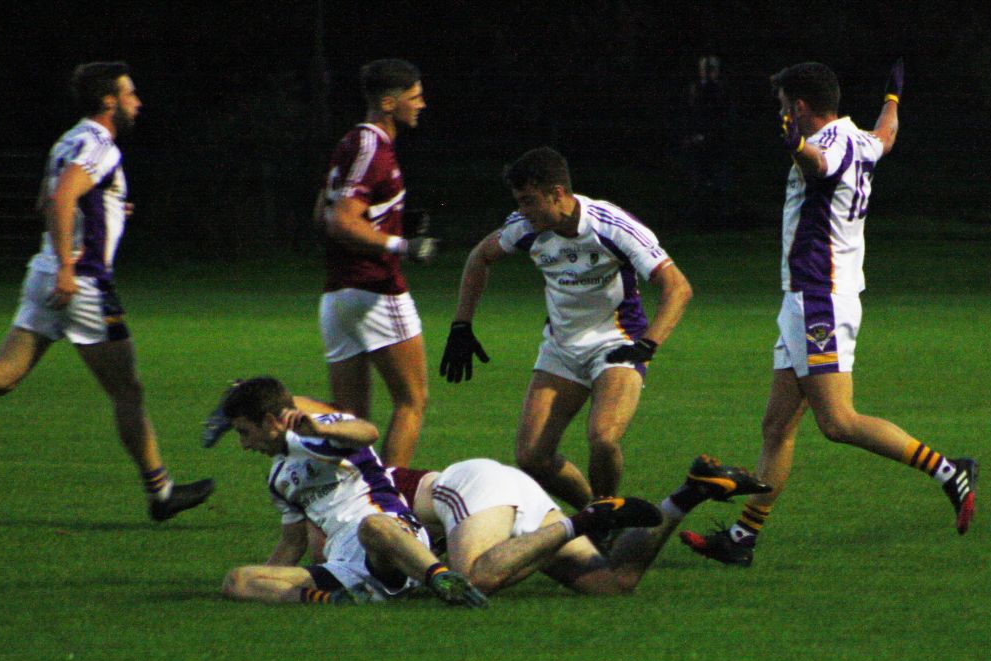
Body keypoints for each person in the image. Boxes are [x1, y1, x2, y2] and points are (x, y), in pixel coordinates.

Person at [681, 60, 978, 568]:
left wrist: (796, 146)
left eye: (783, 107)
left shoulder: (832, 147)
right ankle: (742, 539)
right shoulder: (862, 138)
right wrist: (893, 99)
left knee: (838, 421)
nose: (781, 115)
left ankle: (950, 471)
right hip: (806, 298)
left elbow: (818, 165)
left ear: (799, 109)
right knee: (777, 427)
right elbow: (888, 134)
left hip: (819, 297)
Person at [0, 62, 213, 522]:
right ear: (109, 101)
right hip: (82, 284)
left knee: (2, 377)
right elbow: (61, 198)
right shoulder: (98, 143)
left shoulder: (68, 138)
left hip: (44, 273)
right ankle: (161, 492)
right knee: (127, 390)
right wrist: (71, 266)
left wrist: (107, 211)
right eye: (130, 94)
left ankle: (162, 490)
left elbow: (47, 199)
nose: (138, 101)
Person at [439, 147, 693, 509]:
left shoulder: (610, 225)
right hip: (561, 348)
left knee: (603, 438)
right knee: (532, 457)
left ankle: (605, 514)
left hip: (618, 343)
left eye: (529, 201)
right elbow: (480, 256)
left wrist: (649, 343)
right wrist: (461, 325)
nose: (522, 212)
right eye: (519, 202)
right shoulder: (525, 228)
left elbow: (677, 286)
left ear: (557, 193)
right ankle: (600, 514)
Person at [217, 376, 485, 607]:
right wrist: (266, 580)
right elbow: (292, 542)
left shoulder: (319, 432)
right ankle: (336, 600)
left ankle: (441, 578)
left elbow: (368, 432)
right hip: (344, 567)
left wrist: (321, 429)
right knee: (237, 581)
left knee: (372, 526)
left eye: (244, 432)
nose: (244, 444)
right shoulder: (278, 478)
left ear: (268, 421)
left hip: (392, 541)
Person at [397, 455, 768, 597]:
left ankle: (588, 519)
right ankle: (688, 494)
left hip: (471, 485)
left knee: (471, 581)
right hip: (499, 491)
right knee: (612, 584)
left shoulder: (356, 496)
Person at [313, 58, 436, 468]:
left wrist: (388, 219)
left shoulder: (351, 143)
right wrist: (401, 244)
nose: (421, 104)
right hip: (375, 291)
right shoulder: (373, 146)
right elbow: (341, 220)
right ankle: (393, 502)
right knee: (412, 401)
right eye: (414, 97)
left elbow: (323, 213)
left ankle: (340, 514)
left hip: (337, 296)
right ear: (388, 102)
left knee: (350, 421)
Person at [682, 55, 736, 225]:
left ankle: (720, 217)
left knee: (719, 181)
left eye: (710, 69)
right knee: (699, 181)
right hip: (700, 141)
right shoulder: (697, 88)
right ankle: (701, 217)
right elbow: (692, 114)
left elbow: (722, 116)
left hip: (717, 142)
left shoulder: (720, 90)